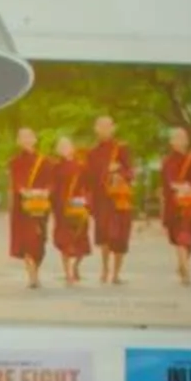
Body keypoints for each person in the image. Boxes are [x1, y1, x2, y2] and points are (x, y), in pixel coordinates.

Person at [82, 113, 137, 285]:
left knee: (120, 236)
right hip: (101, 201)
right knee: (104, 235)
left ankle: (116, 273)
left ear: (114, 128)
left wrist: (119, 173)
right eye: (101, 126)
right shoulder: (92, 153)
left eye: (108, 125)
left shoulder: (121, 149)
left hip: (120, 199)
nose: (104, 129)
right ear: (95, 129)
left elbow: (130, 172)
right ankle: (105, 268)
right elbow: (88, 178)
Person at [4, 125, 52, 290]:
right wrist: (23, 191)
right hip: (22, 207)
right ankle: (32, 277)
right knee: (27, 240)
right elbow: (16, 182)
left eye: (28, 136)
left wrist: (46, 191)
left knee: (39, 242)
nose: (25, 140)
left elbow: (51, 181)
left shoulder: (45, 161)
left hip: (40, 206)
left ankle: (35, 271)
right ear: (18, 141)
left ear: (34, 139)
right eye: (21, 137)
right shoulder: (14, 162)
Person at [158, 124, 191, 285]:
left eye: (183, 138)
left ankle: (182, 265)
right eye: (177, 138)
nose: (181, 141)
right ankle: (186, 273)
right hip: (175, 205)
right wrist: (182, 187)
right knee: (180, 238)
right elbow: (169, 182)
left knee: (188, 238)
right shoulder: (167, 161)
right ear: (171, 142)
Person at [49, 132, 94, 287]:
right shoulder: (54, 167)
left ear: (73, 148)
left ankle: (76, 267)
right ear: (57, 150)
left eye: (66, 145)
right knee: (65, 241)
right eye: (60, 146)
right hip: (61, 208)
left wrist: (87, 200)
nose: (64, 148)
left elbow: (89, 186)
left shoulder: (82, 166)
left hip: (79, 206)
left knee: (80, 239)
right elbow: (51, 186)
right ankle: (67, 272)